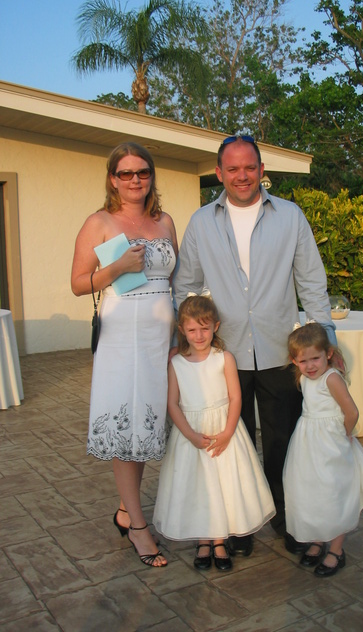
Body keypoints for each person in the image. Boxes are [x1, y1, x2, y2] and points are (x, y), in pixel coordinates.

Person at [172, 134, 336, 554]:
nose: (241, 176)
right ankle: (237, 527)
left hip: (282, 352)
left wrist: (327, 346)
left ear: (262, 171)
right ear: (219, 173)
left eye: (249, 167)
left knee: (285, 443)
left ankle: (289, 522)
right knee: (232, 447)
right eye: (232, 169)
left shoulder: (291, 217)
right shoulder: (201, 223)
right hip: (224, 358)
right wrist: (189, 343)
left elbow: (312, 285)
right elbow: (185, 288)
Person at [71, 142, 178, 568]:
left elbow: (178, 276)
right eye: (126, 173)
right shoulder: (98, 222)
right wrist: (116, 269)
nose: (135, 180)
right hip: (121, 337)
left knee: (147, 427)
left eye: (143, 172)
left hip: (160, 337)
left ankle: (123, 509)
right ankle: (137, 526)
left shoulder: (165, 221)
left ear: (151, 176)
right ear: (113, 178)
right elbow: (79, 283)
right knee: (124, 427)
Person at [153, 294, 275, 570]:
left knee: (223, 485)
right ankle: (203, 540)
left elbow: (235, 398)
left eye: (204, 328)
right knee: (198, 486)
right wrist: (191, 436)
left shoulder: (224, 358)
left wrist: (228, 432)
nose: (199, 335)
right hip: (192, 435)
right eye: (192, 330)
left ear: (216, 327)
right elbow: (172, 403)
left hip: (223, 432)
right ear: (182, 330)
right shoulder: (176, 364)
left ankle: (219, 540)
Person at [283, 322, 363, 576]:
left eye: (315, 358)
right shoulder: (305, 378)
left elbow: (351, 411)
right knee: (311, 490)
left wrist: (345, 434)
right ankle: (318, 539)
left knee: (333, 492)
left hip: (330, 443)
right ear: (294, 361)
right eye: (303, 361)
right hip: (307, 442)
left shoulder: (331, 378)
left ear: (328, 354)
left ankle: (336, 550)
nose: (310, 366)